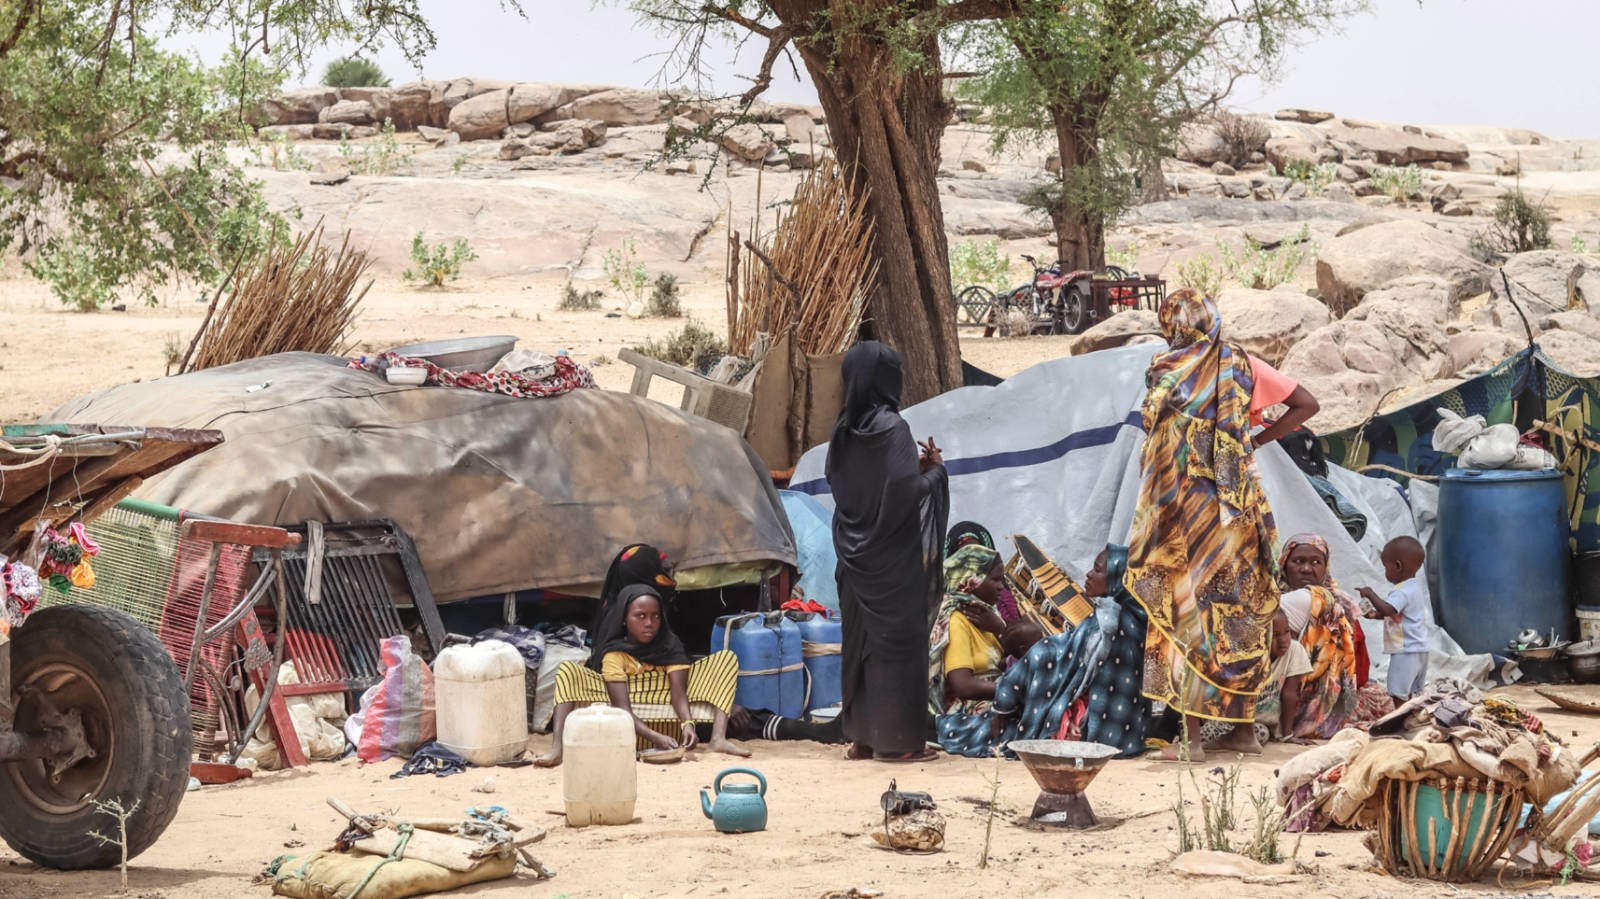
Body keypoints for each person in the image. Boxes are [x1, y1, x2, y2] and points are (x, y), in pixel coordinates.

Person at [1126, 290, 1304, 763]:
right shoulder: (1242, 364)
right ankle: (1243, 732)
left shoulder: (1165, 371)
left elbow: (1155, 445)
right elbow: (1306, 403)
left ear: (1171, 324)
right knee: (1240, 611)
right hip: (1238, 512)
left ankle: (1194, 741)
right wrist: (1252, 441)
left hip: (1185, 517)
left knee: (1186, 612)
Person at [826, 341, 949, 762]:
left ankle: (863, 738)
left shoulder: (843, 430)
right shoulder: (893, 428)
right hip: (892, 564)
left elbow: (853, 486)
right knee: (899, 649)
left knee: (860, 647)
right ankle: (898, 745)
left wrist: (908, 475)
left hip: (853, 558)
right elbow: (902, 492)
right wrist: (934, 473)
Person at [934, 546, 1152, 759]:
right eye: (995, 580)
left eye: (1097, 569)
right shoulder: (1138, 619)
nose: (1089, 573)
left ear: (1116, 576)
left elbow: (1049, 656)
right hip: (1126, 735)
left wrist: (1010, 694)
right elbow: (966, 684)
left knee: (998, 732)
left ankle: (933, 728)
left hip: (1095, 733)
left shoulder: (1107, 623)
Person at [537, 584, 749, 766]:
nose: (649, 623)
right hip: (634, 732)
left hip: (671, 727)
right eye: (641, 616)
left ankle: (718, 739)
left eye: (655, 616)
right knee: (568, 671)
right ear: (624, 619)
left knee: (725, 659)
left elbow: (678, 693)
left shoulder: (669, 646)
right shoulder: (614, 654)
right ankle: (558, 749)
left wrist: (688, 724)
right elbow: (622, 709)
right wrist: (656, 737)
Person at [1271, 533, 1362, 741]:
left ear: (1325, 567)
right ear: (1284, 564)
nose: (1306, 569)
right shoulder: (1273, 598)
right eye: (1298, 561)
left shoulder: (1336, 601)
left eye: (1315, 562)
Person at [929, 545, 1009, 717]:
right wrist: (1014, 691)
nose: (1001, 587)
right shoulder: (955, 621)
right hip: (966, 715)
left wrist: (1000, 629)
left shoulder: (988, 617)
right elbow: (963, 686)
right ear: (971, 580)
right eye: (995, 579)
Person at [1359, 536, 1430, 703]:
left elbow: (1388, 609)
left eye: (1385, 567)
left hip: (1406, 650)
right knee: (1410, 691)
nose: (1385, 572)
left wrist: (1370, 593)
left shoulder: (1402, 591)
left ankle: (1400, 722)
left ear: (1398, 566)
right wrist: (1374, 615)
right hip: (1419, 648)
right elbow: (1395, 614)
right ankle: (1409, 717)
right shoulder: (1414, 587)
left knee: (1398, 693)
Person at [589, 543, 678, 639]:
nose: (649, 623)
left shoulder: (665, 602)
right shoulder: (617, 618)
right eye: (664, 570)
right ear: (645, 574)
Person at [1251, 609, 1314, 745]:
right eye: (1275, 635)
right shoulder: (1250, 655)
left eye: (1287, 632)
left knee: (1261, 734)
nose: (1284, 640)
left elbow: (1289, 694)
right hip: (1239, 722)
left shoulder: (1294, 650)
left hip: (1265, 726)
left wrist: (1287, 735)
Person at [945, 521, 1020, 622]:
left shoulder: (1000, 594)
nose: (973, 563)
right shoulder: (943, 602)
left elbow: (1017, 627)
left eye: (979, 554)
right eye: (965, 556)